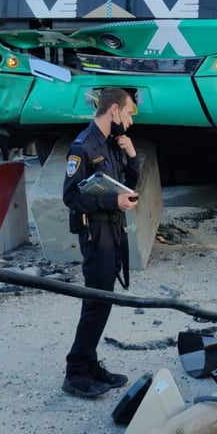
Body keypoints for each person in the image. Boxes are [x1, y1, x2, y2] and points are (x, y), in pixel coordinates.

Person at [61, 87, 139, 398]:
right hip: (95, 234)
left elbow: (127, 188)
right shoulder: (82, 146)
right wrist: (112, 203)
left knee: (103, 301)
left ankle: (89, 363)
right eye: (129, 113)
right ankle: (76, 371)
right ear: (114, 110)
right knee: (95, 303)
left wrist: (131, 155)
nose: (131, 120)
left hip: (112, 230)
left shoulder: (110, 144)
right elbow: (71, 196)